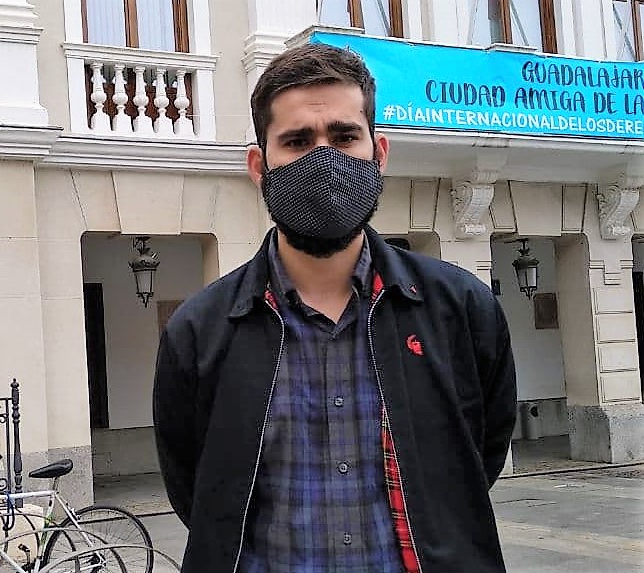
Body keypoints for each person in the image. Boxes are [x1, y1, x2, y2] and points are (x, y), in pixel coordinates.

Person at [152, 42, 517, 573]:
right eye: (297, 141)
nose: (324, 159)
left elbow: (475, 459)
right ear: (259, 165)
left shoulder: (460, 309)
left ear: (379, 153)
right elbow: (201, 493)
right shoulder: (199, 331)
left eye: (344, 136)